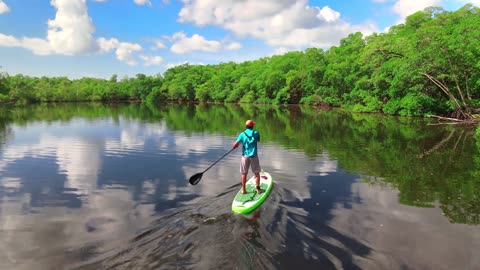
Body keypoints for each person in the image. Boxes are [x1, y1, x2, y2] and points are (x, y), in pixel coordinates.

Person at [232, 119, 262, 194]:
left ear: (246, 126)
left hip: (245, 156)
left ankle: (244, 190)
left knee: (244, 173)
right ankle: (258, 189)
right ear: (252, 126)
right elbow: (258, 140)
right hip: (254, 156)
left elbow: (235, 144)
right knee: (257, 173)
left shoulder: (242, 134)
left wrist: (235, 146)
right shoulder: (256, 133)